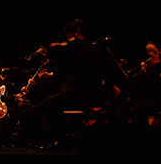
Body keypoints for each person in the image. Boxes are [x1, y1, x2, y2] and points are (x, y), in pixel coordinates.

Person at [17, 19, 109, 148]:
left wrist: (53, 51)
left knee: (50, 103)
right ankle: (50, 141)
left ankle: (58, 141)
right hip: (74, 91)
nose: (66, 40)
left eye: (68, 36)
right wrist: (49, 66)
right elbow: (66, 69)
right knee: (36, 109)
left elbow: (69, 65)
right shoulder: (79, 49)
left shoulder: (85, 48)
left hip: (83, 94)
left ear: (77, 32)